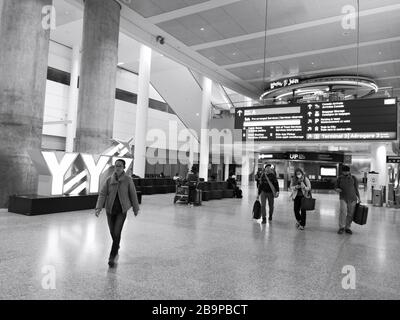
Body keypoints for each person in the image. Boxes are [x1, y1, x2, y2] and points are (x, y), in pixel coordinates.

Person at [95, 159, 140, 267]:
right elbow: (102, 194)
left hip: (121, 211)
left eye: (120, 166)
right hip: (110, 211)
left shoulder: (128, 180)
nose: (117, 168)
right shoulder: (109, 180)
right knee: (112, 232)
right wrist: (98, 208)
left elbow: (133, 194)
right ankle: (117, 245)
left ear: (124, 167)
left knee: (117, 232)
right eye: (116, 166)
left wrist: (135, 208)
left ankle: (112, 256)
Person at [335, 165, 360, 235]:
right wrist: (337, 189)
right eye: (344, 171)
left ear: (349, 171)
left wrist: (359, 198)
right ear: (342, 171)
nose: (345, 172)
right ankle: (341, 227)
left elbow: (356, 189)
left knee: (350, 213)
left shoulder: (353, 178)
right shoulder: (339, 178)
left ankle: (347, 227)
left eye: (347, 171)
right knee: (343, 211)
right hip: (343, 198)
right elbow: (335, 187)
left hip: (352, 199)